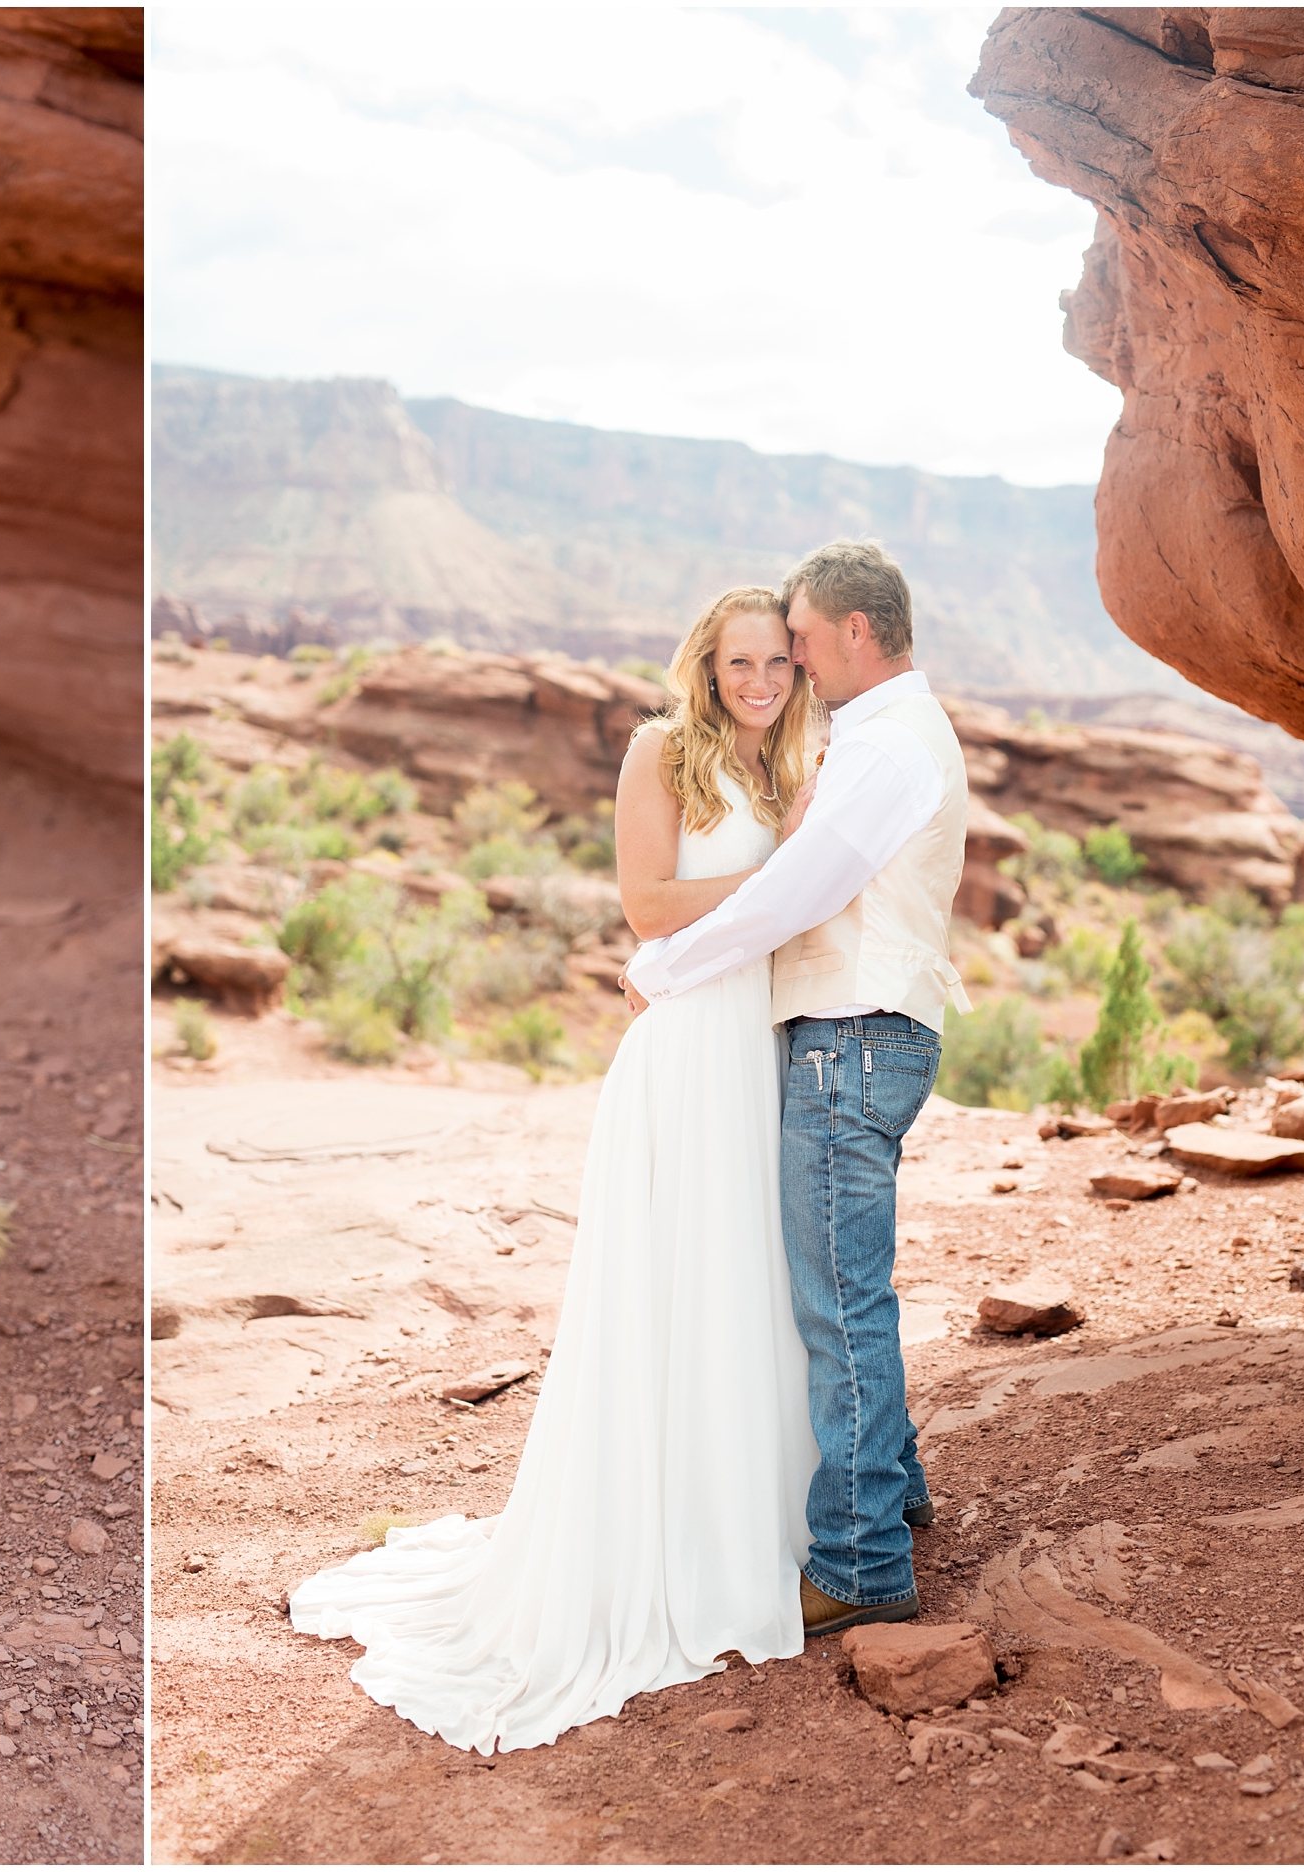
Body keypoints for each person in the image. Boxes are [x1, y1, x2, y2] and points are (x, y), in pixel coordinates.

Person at [287, 585, 821, 1755]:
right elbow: (646, 905)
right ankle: (656, 1544)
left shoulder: (794, 765)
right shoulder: (661, 754)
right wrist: (781, 882)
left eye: (777, 660)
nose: (759, 678)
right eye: (739, 660)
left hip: (760, 1050)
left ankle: (753, 1530)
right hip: (686, 1055)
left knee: (748, 1287)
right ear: (706, 662)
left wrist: (788, 884)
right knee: (671, 1286)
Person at [624, 538, 970, 1637]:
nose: (795, 667)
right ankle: (896, 1496)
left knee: (837, 1307)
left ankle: (862, 1565)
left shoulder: (883, 748)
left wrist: (663, 969)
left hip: (852, 1037)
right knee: (850, 1290)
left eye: (804, 643)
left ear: (852, 633)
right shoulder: (880, 737)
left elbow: (796, 893)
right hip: (860, 1034)